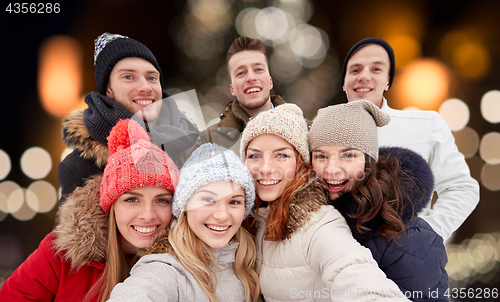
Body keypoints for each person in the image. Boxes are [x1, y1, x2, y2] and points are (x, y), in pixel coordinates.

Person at [240, 104, 410, 301]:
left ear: (300, 164)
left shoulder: (317, 223)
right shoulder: (252, 218)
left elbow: (361, 281)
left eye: (281, 155)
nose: (265, 168)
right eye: (254, 155)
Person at [0, 119, 179, 302]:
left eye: (161, 201)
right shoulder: (62, 254)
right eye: (132, 199)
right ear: (111, 206)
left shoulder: (184, 265)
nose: (148, 215)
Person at [340, 37, 479, 241]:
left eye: (376, 69)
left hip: (405, 268)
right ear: (343, 82)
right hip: (341, 264)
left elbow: (461, 188)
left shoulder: (425, 124)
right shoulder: (320, 133)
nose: (364, 77)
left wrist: (426, 236)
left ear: (388, 81)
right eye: (355, 70)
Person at [309, 100, 449, 301]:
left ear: (369, 161)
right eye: (321, 156)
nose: (331, 169)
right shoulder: (309, 219)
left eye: (347, 155)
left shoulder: (409, 238)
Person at [58, 32, 199, 204]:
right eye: (128, 77)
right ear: (108, 89)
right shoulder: (79, 166)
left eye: (152, 78)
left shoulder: (195, 147)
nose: (145, 87)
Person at [108, 143, 259, 302]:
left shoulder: (248, 260)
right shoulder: (167, 269)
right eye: (208, 200)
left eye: (234, 202)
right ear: (185, 206)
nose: (222, 215)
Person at [182, 36, 287, 157]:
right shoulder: (209, 141)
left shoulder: (306, 131)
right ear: (232, 89)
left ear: (270, 81)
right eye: (241, 73)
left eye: (258, 69)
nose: (251, 78)